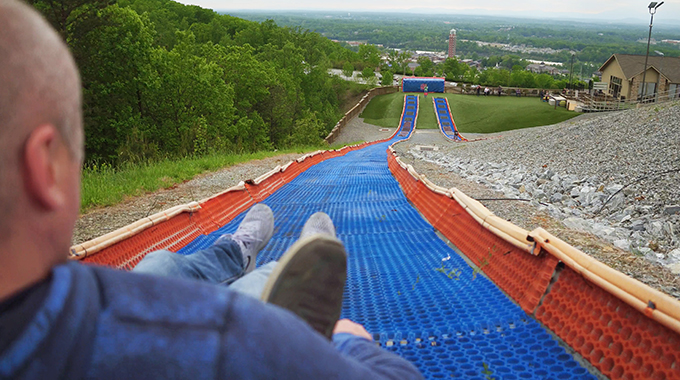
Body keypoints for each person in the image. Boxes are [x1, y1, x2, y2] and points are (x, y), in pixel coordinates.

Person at [0, 1, 423, 379]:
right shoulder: (213, 343)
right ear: (46, 167)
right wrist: (349, 340)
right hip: (239, 334)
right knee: (238, 292)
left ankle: (236, 249)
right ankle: (277, 287)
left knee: (161, 265)